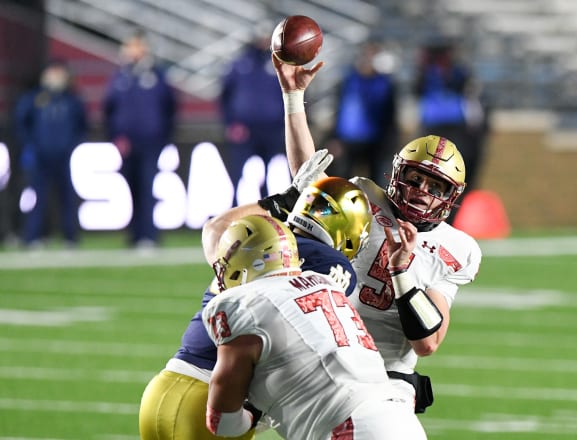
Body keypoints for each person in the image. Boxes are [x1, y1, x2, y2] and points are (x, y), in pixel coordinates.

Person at [271, 52, 482, 415]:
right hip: (323, 358)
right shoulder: (364, 197)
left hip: (386, 377)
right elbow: (306, 180)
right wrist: (293, 99)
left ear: (452, 197)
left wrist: (401, 272)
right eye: (415, 178)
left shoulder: (457, 247)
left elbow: (428, 342)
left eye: (435, 186)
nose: (420, 191)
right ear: (396, 174)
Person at [139, 156, 374, 440]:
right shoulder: (329, 263)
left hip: (163, 386)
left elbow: (215, 228)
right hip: (211, 399)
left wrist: (280, 200)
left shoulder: (261, 241)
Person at [201, 214, 427, 439]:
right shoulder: (326, 283)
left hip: (352, 426)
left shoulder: (241, 303)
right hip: (402, 418)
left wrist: (254, 412)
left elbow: (222, 422)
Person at [102, 29, 177, 248]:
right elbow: (109, 110)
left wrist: (163, 136)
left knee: (147, 186)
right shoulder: (120, 76)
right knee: (132, 188)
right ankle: (135, 234)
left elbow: (170, 107)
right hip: (126, 143)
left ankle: (149, 235)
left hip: (151, 141)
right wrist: (116, 136)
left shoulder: (157, 74)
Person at [13, 59, 88, 248]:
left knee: (67, 197)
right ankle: (33, 236)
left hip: (64, 156)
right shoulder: (34, 98)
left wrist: (71, 145)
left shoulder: (71, 99)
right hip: (40, 155)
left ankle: (70, 237)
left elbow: (82, 124)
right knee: (38, 197)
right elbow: (21, 122)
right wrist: (31, 145)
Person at [413, 43, 489, 225]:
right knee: (430, 176)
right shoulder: (428, 75)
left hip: (457, 130)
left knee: (454, 179)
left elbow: (468, 92)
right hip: (435, 128)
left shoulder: (459, 73)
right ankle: (425, 217)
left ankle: (447, 220)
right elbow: (417, 90)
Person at [218, 23, 288, 206]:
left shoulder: (280, 64)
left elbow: (290, 95)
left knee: (271, 175)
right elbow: (225, 96)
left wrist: (285, 124)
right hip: (244, 128)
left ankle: (268, 215)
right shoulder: (240, 64)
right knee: (236, 174)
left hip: (272, 128)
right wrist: (231, 123)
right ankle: (232, 213)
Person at [325, 41, 398, 187]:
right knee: (343, 182)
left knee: (375, 184)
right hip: (349, 140)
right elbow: (339, 110)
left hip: (375, 141)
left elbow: (390, 115)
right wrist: (335, 138)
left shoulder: (385, 83)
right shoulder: (349, 80)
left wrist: (388, 142)